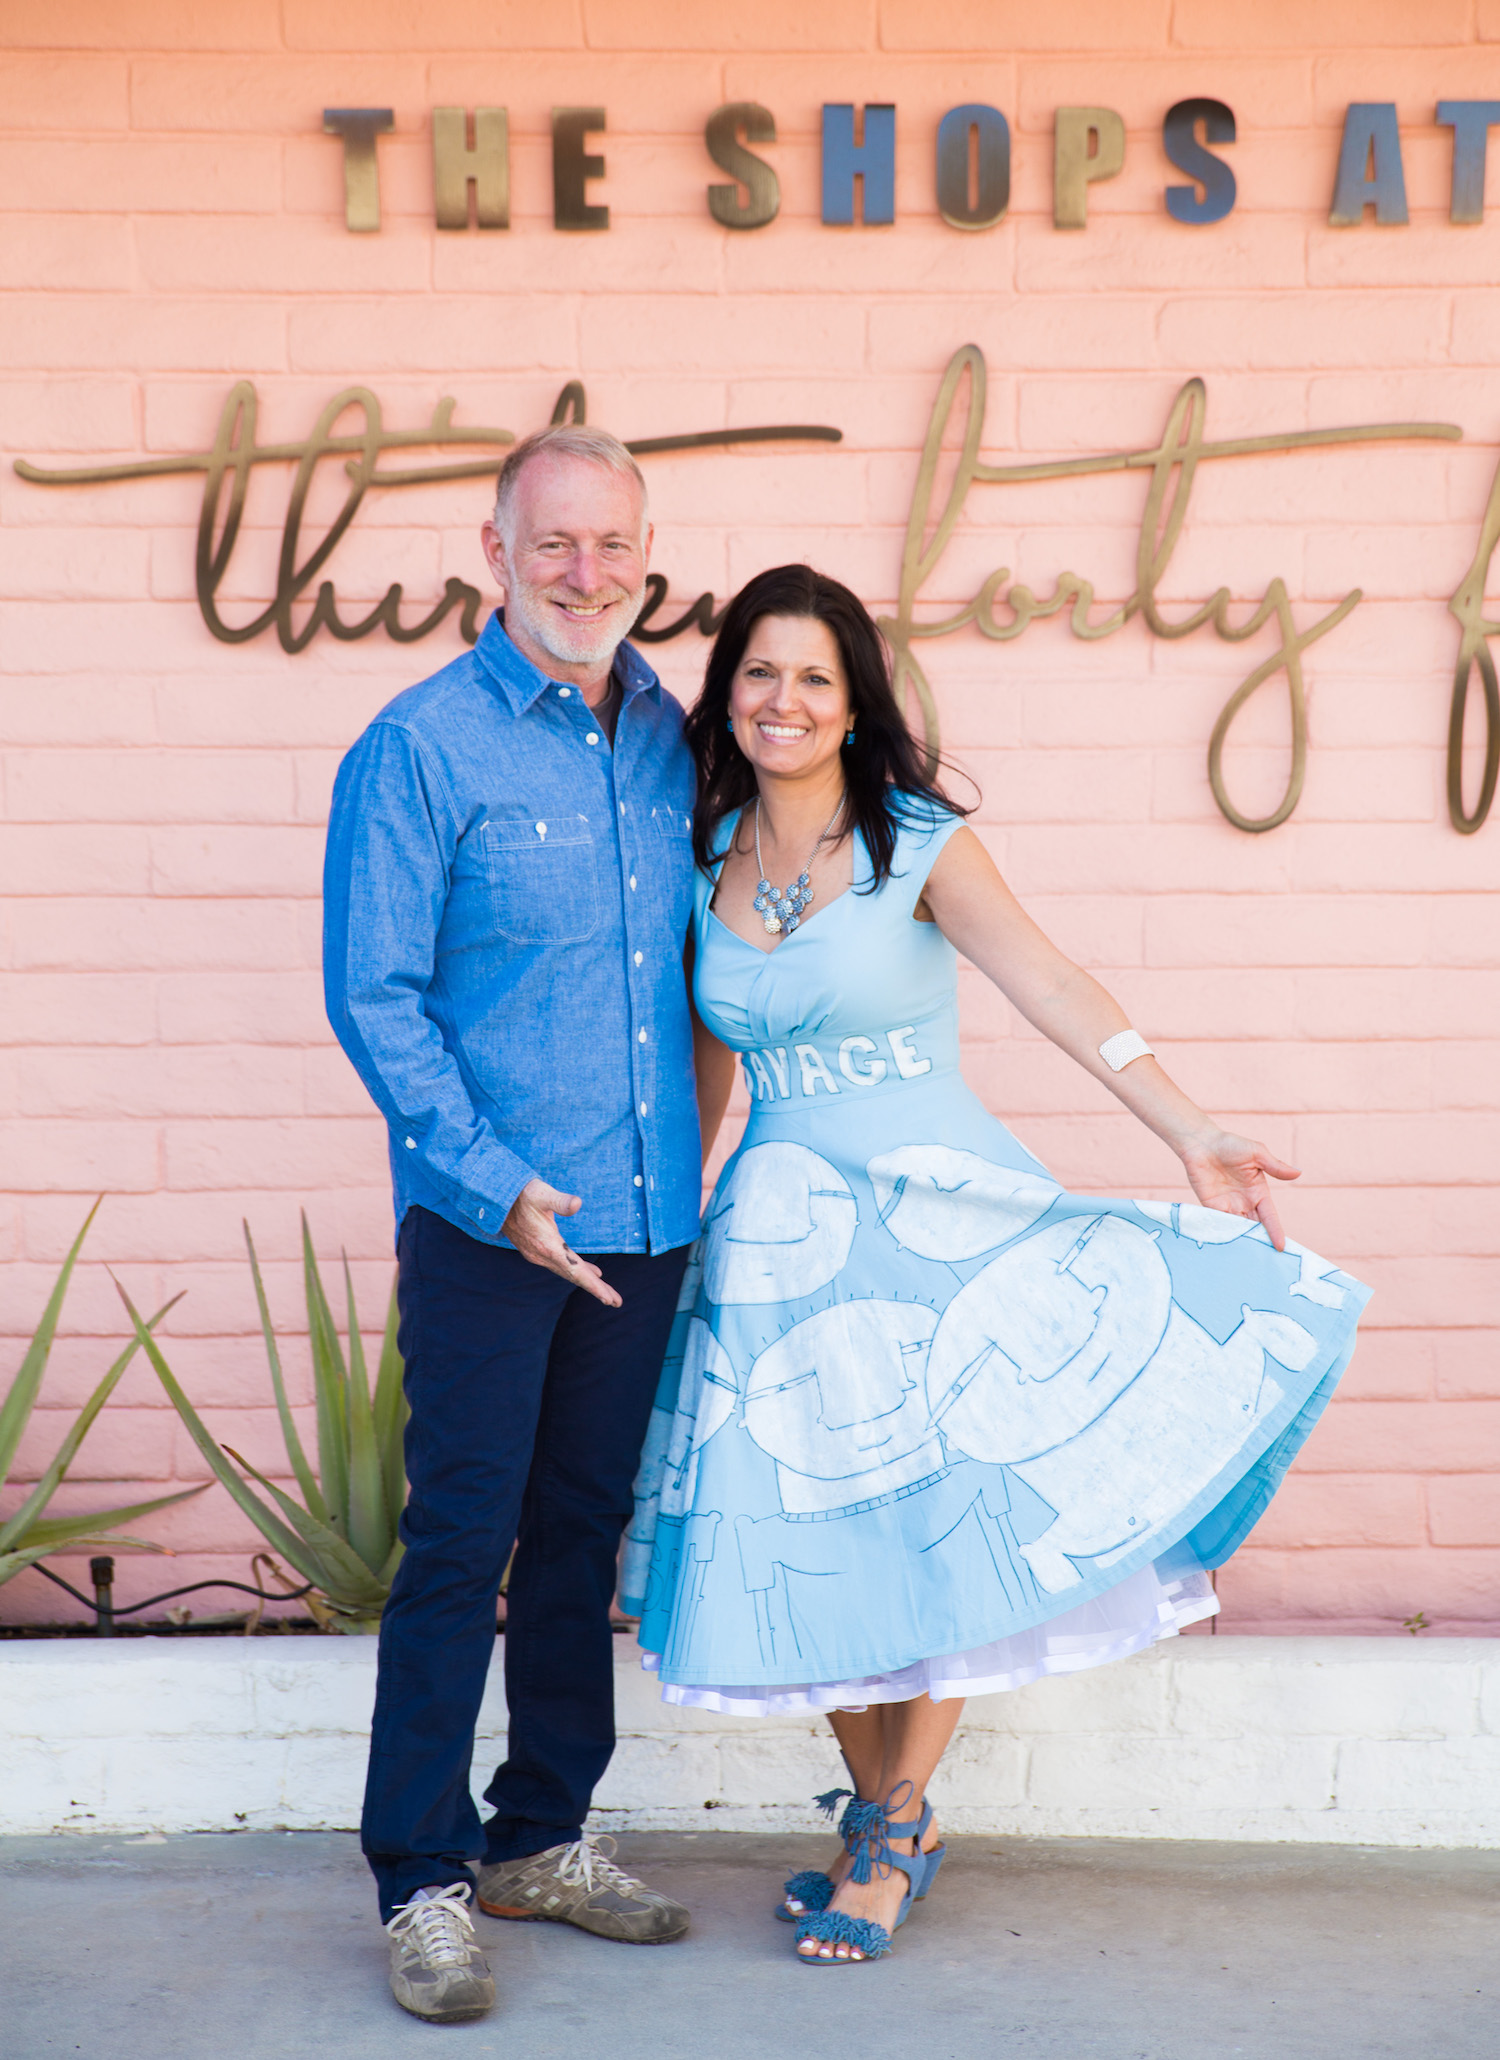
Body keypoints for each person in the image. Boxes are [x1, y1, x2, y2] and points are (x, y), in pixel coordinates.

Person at [623, 563, 1369, 1967]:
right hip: (778, 1250)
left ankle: (895, 1828)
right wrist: (668, 1225)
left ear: (855, 705)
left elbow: (1054, 984)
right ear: (727, 695)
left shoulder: (917, 843)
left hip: (935, 1219)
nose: (784, 700)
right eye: (760, 672)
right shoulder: (705, 852)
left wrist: (1190, 1125)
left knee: (937, 1526)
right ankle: (879, 1814)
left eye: (814, 677)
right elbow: (707, 1077)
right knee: (805, 1541)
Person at [323, 425, 708, 2022]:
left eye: (612, 544)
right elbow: (375, 997)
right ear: (495, 553)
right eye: (553, 541)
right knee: (460, 1543)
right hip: (490, 1232)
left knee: (580, 1537)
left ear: (645, 558)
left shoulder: (672, 739)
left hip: (645, 1219)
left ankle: (540, 1835)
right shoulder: (419, 747)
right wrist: (496, 1185)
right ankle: (421, 1874)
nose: (584, 572)